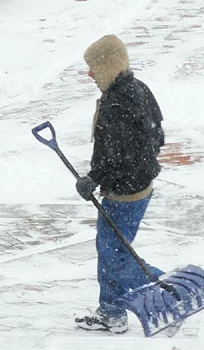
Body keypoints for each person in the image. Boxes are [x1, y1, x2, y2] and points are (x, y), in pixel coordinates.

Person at [74, 34, 166, 334]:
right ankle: (111, 312)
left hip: (125, 193)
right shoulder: (137, 89)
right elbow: (158, 135)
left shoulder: (117, 102)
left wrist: (93, 180)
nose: (89, 74)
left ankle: (167, 290)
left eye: (93, 67)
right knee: (110, 249)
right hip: (138, 186)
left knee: (116, 258)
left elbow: (115, 155)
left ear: (108, 65)